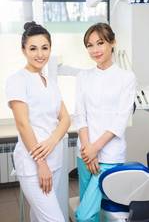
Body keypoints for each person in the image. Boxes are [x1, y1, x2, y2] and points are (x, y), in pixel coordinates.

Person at [6, 21, 70, 222]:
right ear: (24, 50)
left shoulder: (50, 82)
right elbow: (23, 125)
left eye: (45, 48)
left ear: (50, 48)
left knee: (38, 217)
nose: (40, 54)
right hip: (34, 165)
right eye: (33, 48)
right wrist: (41, 163)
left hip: (55, 161)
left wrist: (51, 142)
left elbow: (65, 119)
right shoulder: (18, 80)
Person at [74, 22, 136, 222]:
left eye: (100, 43)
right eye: (90, 45)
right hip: (84, 155)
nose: (95, 50)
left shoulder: (126, 78)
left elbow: (120, 120)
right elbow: (79, 114)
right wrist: (87, 149)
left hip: (110, 155)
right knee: (89, 213)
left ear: (112, 42)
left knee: (87, 215)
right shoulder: (83, 77)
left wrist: (95, 149)